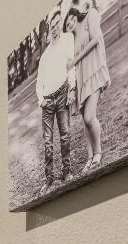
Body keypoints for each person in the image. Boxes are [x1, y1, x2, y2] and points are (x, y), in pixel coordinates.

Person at [35, 9, 76, 194]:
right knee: (47, 142)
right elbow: (39, 82)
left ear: (61, 24)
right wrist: (40, 100)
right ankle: (49, 179)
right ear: (48, 29)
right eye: (52, 25)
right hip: (47, 102)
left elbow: (71, 67)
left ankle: (66, 172)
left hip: (62, 94)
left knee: (65, 134)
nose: (55, 27)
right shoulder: (44, 56)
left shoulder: (67, 41)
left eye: (58, 23)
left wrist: (72, 89)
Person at [70, 0, 111, 172]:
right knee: (85, 122)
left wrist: (76, 60)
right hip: (82, 81)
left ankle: (98, 152)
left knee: (89, 117)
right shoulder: (72, 33)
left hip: (94, 73)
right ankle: (89, 157)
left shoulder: (92, 15)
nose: (70, 22)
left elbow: (96, 40)